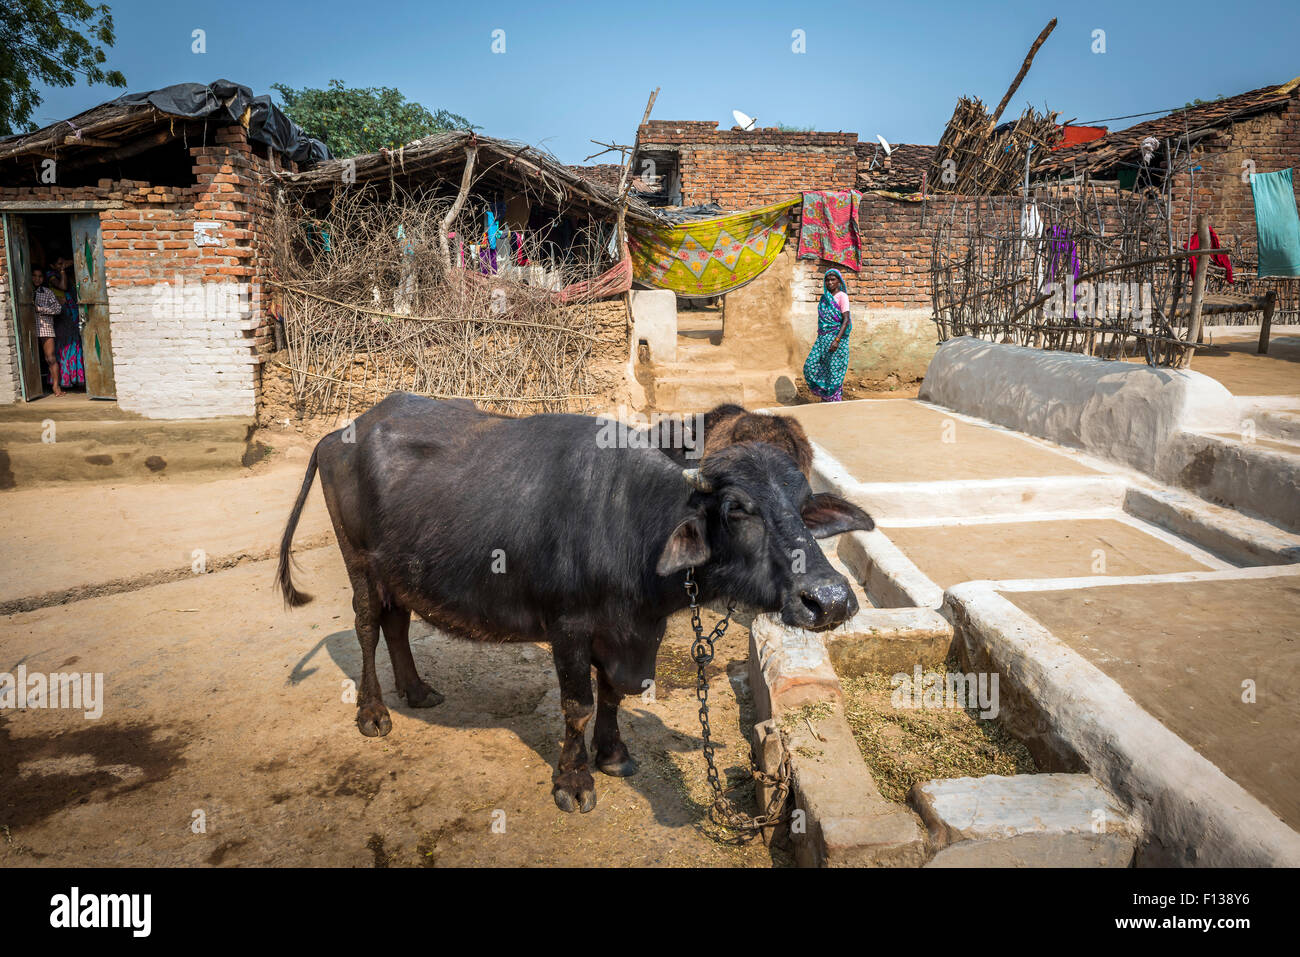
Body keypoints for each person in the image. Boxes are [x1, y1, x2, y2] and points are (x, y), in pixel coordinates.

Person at [802, 268, 852, 402]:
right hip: (822, 339)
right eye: (827, 280)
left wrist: (836, 340)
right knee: (810, 366)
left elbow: (846, 320)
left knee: (833, 370)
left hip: (836, 339)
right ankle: (825, 395)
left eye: (833, 279)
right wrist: (822, 338)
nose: (830, 282)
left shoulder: (842, 296)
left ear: (839, 282)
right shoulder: (824, 299)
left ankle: (833, 401)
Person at [50, 259, 85, 389]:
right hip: (62, 317)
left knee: (75, 345)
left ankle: (76, 377)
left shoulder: (67, 275)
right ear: (52, 265)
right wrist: (62, 270)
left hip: (72, 315)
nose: (61, 265)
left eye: (62, 262)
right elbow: (63, 287)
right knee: (64, 347)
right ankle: (65, 379)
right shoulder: (51, 275)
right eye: (58, 263)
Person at [33, 266, 64, 396]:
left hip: (44, 327)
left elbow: (58, 309)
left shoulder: (47, 292)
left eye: (40, 276)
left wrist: (40, 309)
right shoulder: (22, 292)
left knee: (50, 358)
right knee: (30, 359)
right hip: (27, 327)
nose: (37, 279)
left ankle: (56, 387)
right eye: (34, 276)